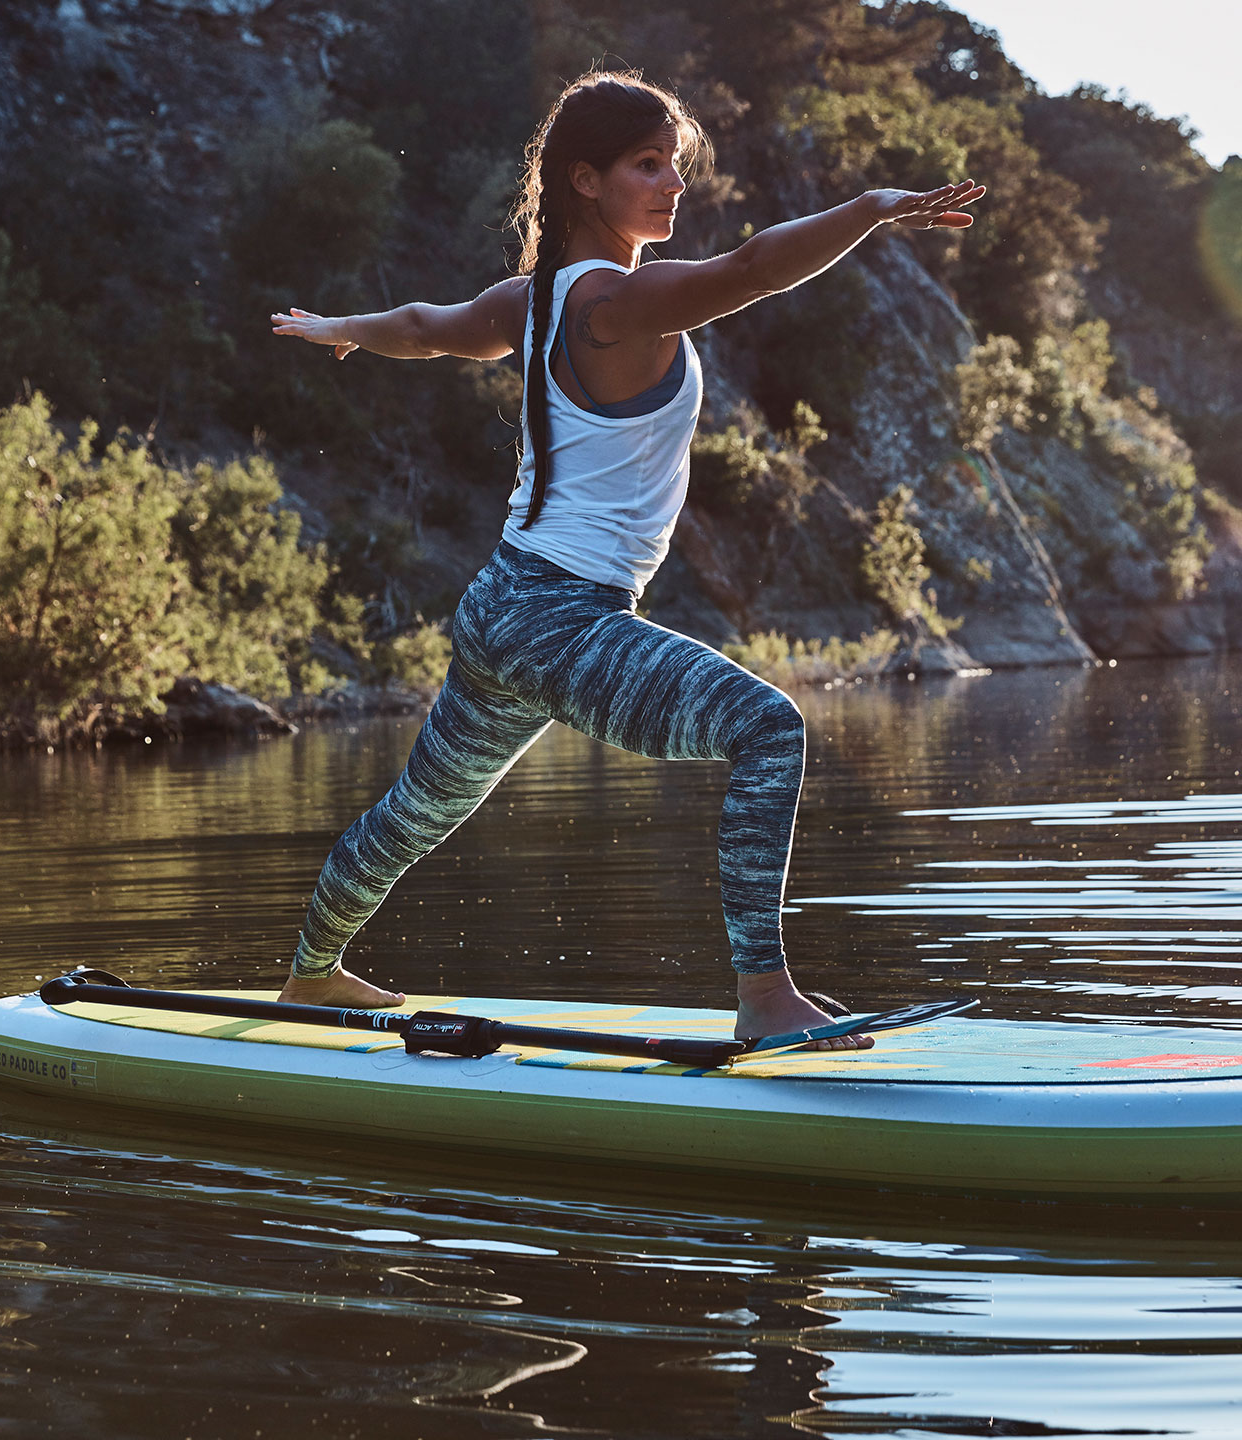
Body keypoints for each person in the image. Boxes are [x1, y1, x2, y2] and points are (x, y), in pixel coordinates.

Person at [268, 71, 981, 1049]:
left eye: (675, 166)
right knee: (768, 731)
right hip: (560, 617)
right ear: (585, 181)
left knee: (416, 812)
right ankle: (765, 995)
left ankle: (310, 976)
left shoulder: (532, 297)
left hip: (504, 610)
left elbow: (429, 330)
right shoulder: (608, 300)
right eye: (648, 165)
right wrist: (868, 209)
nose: (672, 185)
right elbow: (752, 271)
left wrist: (341, 330)